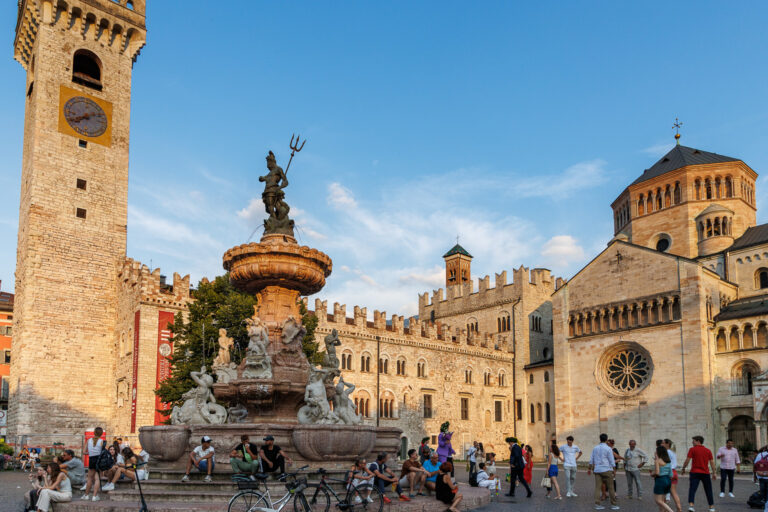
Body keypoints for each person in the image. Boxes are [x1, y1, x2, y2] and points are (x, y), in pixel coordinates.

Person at [680, 435, 716, 512]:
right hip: (705, 473)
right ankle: (711, 507)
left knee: (692, 489)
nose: (692, 442)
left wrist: (683, 468)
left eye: (693, 441)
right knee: (708, 490)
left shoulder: (692, 449)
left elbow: (687, 460)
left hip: (695, 472)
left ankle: (691, 506)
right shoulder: (708, 450)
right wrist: (714, 472)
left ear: (698, 441)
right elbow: (712, 462)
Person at [587, 433, 618, 510]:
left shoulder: (595, 448)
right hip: (607, 469)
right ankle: (613, 505)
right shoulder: (608, 449)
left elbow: (591, 460)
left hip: (597, 470)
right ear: (606, 439)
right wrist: (614, 470)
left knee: (597, 488)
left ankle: (597, 504)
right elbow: (611, 460)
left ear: (599, 439)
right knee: (611, 488)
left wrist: (589, 469)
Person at [83, 427, 104, 501]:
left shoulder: (89, 440)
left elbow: (84, 452)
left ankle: (86, 495)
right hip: (99, 460)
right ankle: (94, 496)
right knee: (97, 479)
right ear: (101, 433)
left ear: (94, 432)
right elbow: (103, 452)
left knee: (89, 478)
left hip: (91, 459)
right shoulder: (102, 441)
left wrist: (90, 452)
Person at [661, 439, 682, 512]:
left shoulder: (666, 452)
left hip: (668, 473)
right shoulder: (673, 452)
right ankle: (679, 508)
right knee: (674, 492)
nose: (661, 444)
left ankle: (664, 510)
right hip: (674, 472)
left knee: (663, 493)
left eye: (663, 443)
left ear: (667, 444)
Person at [651, 445, 674, 512]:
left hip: (660, 480)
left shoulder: (657, 461)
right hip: (668, 480)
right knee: (663, 501)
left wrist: (652, 474)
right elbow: (671, 474)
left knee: (658, 501)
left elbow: (657, 473)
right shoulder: (668, 461)